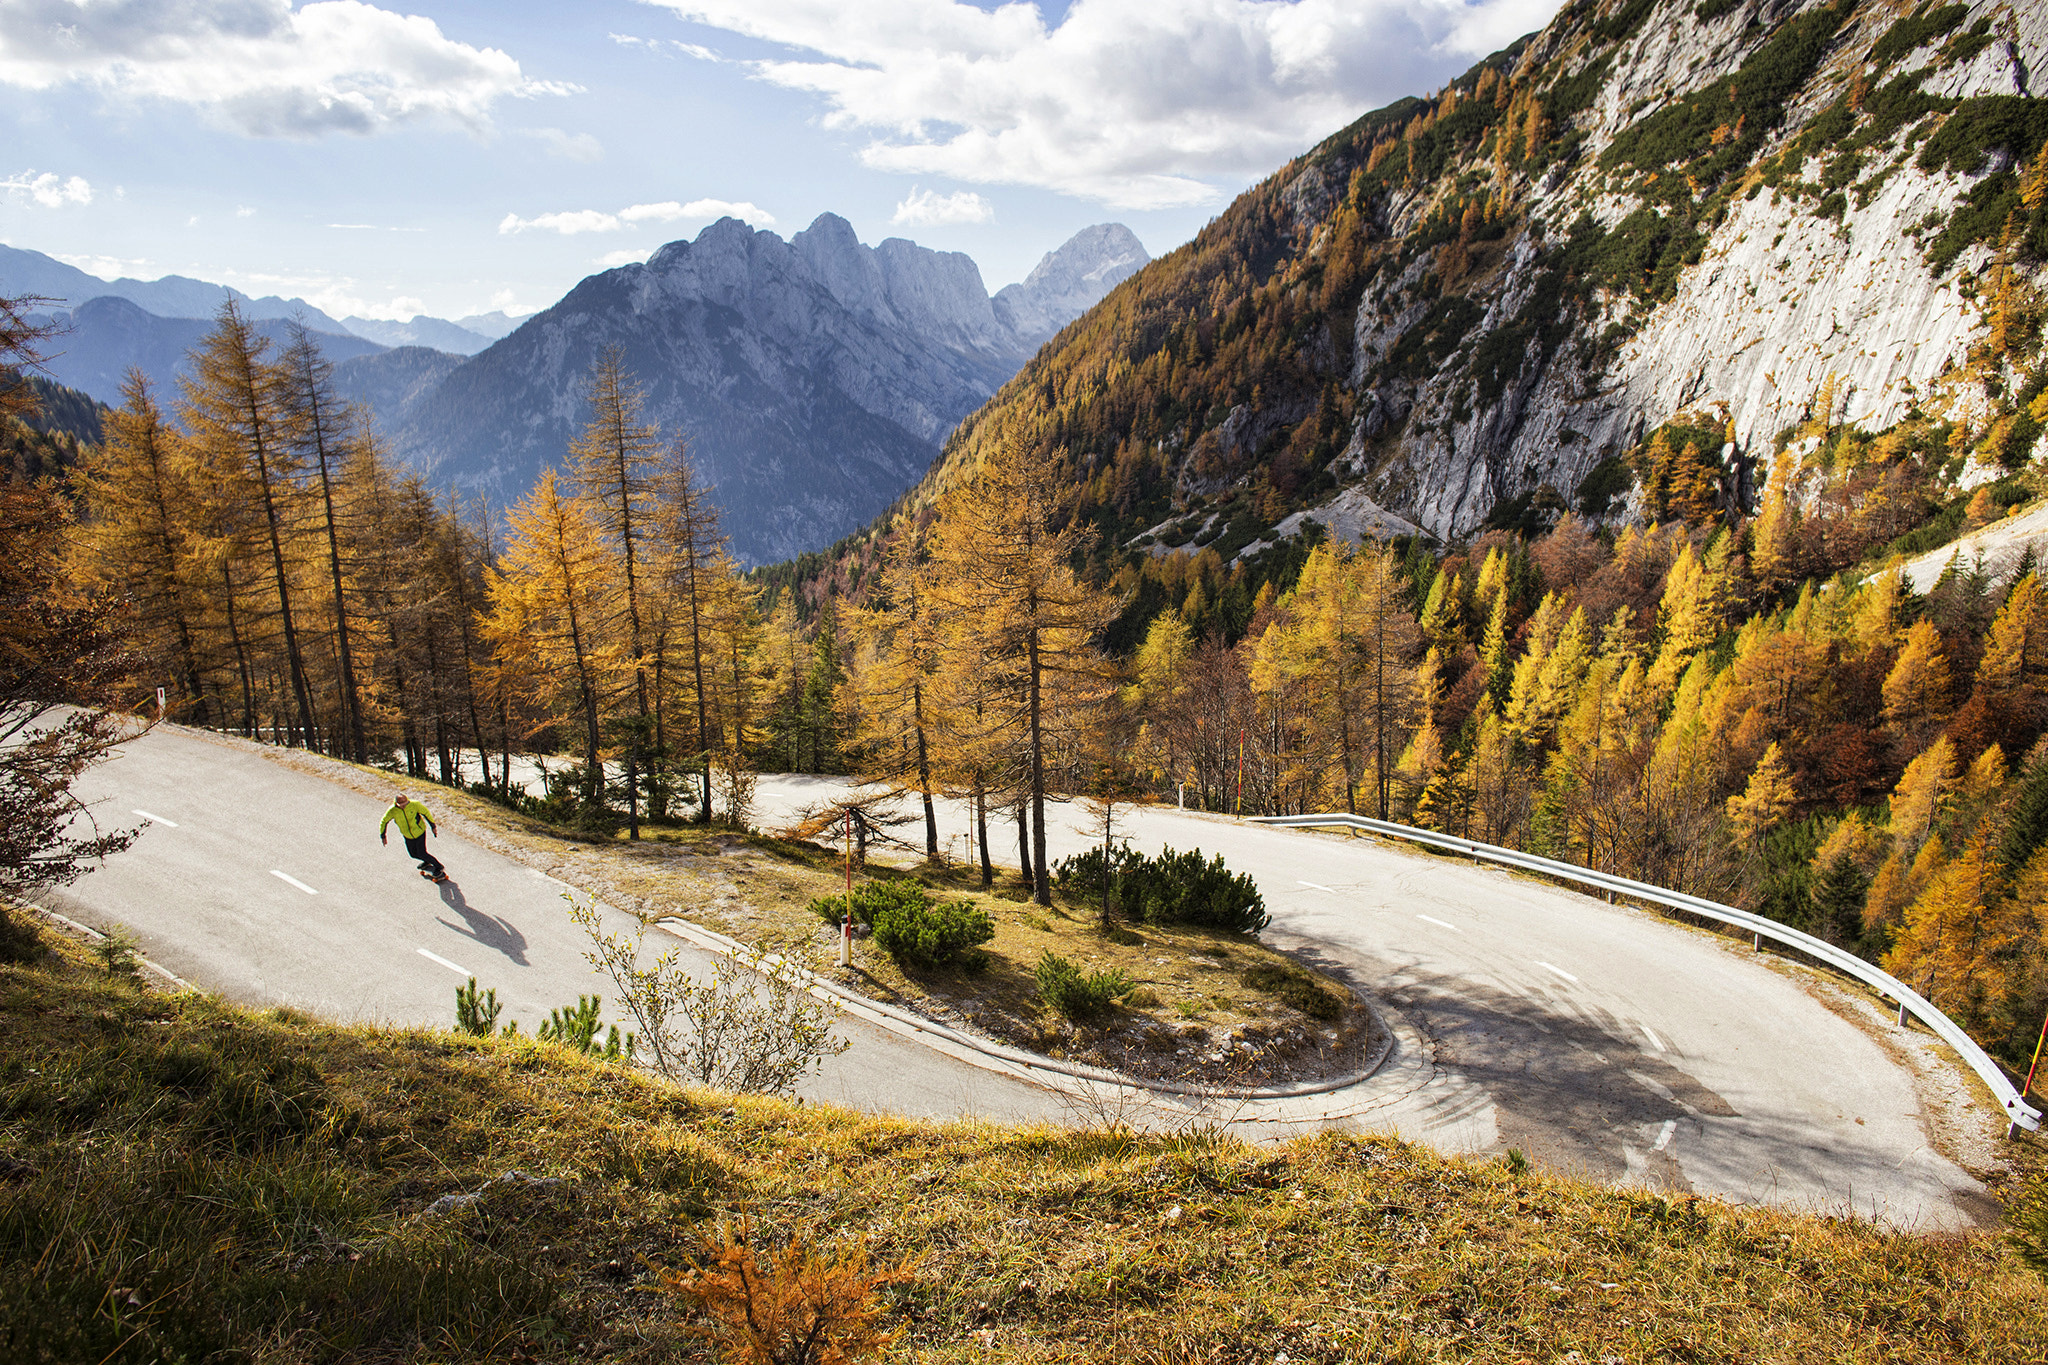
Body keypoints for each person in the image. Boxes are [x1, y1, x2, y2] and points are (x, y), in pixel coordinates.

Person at [380, 791, 446, 880]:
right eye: (402, 804)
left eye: (406, 803)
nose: (404, 806)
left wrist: (433, 826)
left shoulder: (414, 804)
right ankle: (427, 861)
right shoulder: (392, 811)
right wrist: (383, 836)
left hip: (419, 832)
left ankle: (439, 866)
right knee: (413, 854)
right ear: (396, 803)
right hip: (407, 835)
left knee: (422, 852)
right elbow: (384, 821)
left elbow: (426, 813)